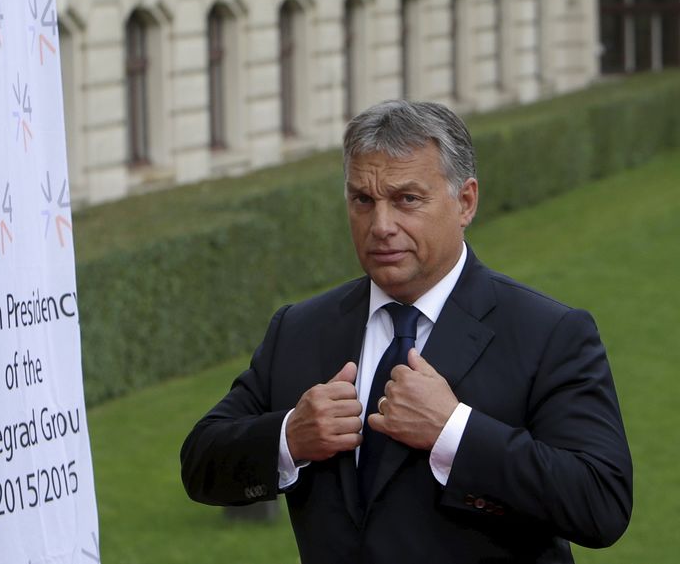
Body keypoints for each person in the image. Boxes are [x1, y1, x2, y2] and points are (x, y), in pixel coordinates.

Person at [180, 100, 632, 563]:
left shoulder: (550, 333)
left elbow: (601, 503)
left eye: (406, 200)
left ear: (466, 201)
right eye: (363, 200)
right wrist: (289, 438)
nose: (381, 226)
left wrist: (454, 431)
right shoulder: (300, 328)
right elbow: (200, 464)